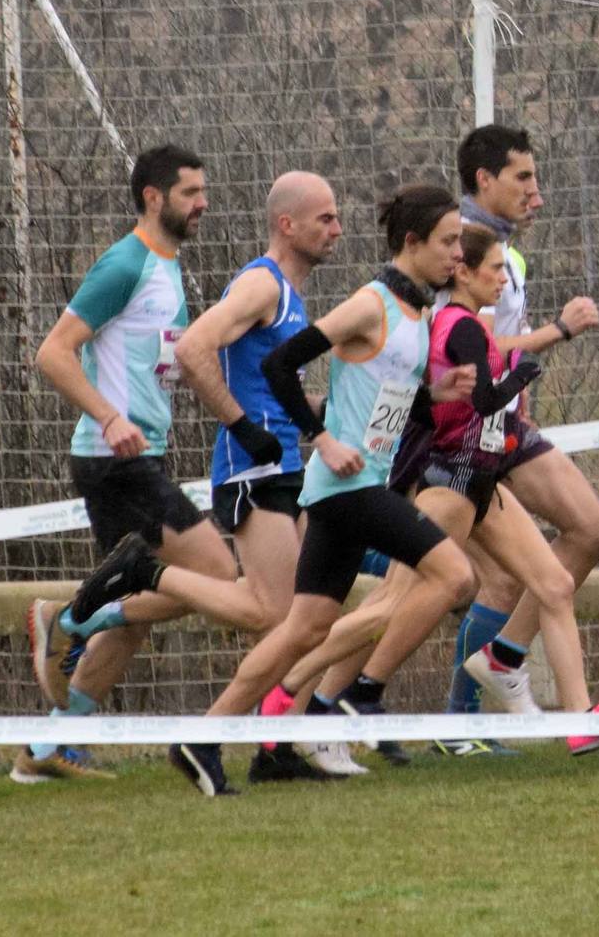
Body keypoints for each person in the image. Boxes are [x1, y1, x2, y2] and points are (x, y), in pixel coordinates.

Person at [267, 224, 599, 757]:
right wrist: (520, 375)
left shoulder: (462, 327)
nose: (504, 280)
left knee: (553, 584)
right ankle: (298, 692)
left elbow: (459, 401)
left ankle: (578, 720)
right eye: (497, 269)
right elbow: (481, 402)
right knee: (392, 606)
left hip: (483, 480)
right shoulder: (459, 327)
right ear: (463, 271)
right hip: (451, 483)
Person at [169, 184, 478, 796]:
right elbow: (279, 364)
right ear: (412, 243)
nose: (458, 255)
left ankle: (203, 737)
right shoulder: (371, 303)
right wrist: (321, 438)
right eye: (447, 242)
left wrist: (431, 397)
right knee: (456, 577)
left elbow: (377, 396)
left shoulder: (417, 313)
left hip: (344, 490)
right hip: (347, 484)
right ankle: (359, 692)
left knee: (303, 628)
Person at [14, 145, 276, 784]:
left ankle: (50, 750)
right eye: (191, 192)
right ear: (154, 197)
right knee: (216, 577)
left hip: (136, 458)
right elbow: (53, 353)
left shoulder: (167, 266)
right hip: (113, 461)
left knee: (134, 612)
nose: (203, 203)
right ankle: (68, 617)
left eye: (203, 190)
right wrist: (109, 415)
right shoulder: (125, 263)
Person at [432, 123, 599, 756]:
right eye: (523, 178)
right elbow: (471, 353)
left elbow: (500, 348)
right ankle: (454, 717)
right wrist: (559, 330)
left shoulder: (506, 253)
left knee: (583, 536)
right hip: (465, 437)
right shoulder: (461, 249)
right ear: (485, 180)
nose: (536, 192)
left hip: (503, 427)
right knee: (454, 588)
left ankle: (500, 664)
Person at [173, 170, 343, 784]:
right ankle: (207, 739)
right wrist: (243, 427)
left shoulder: (293, 299)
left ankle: (275, 749)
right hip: (252, 468)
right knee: (279, 616)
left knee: (306, 617)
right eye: (325, 218)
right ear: (286, 224)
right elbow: (192, 349)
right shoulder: (260, 284)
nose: (337, 229)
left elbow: (277, 389)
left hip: (287, 467)